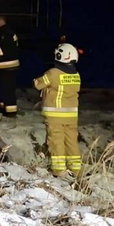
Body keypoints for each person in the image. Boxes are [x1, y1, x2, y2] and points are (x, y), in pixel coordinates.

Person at [33, 43, 81, 176]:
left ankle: (58, 170)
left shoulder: (53, 73)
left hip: (55, 116)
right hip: (71, 116)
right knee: (71, 142)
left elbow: (38, 84)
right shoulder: (76, 75)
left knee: (56, 141)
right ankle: (76, 169)